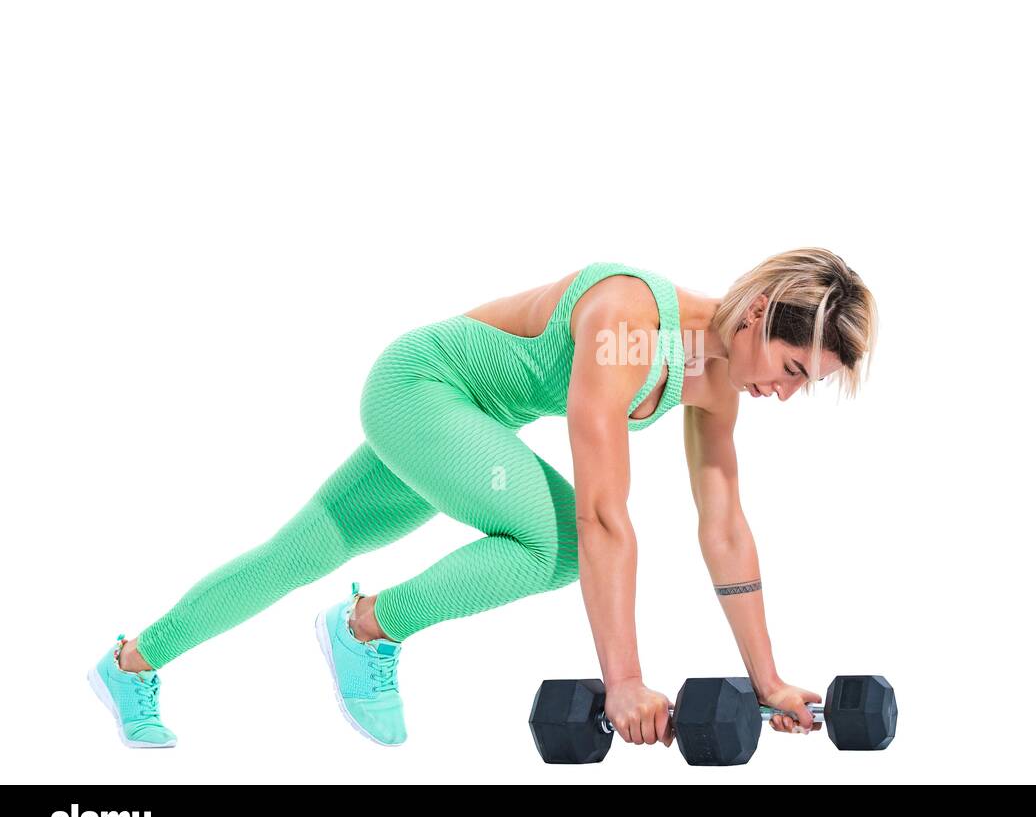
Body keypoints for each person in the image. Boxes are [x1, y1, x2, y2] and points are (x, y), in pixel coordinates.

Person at [87, 249, 878, 750]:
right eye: (793, 370)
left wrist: (767, 679)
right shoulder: (628, 319)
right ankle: (366, 630)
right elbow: (604, 515)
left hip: (466, 423)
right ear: (758, 316)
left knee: (301, 552)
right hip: (422, 388)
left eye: (803, 385)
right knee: (559, 541)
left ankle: (130, 663)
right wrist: (624, 681)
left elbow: (725, 526)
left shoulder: (716, 381)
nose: (784, 394)